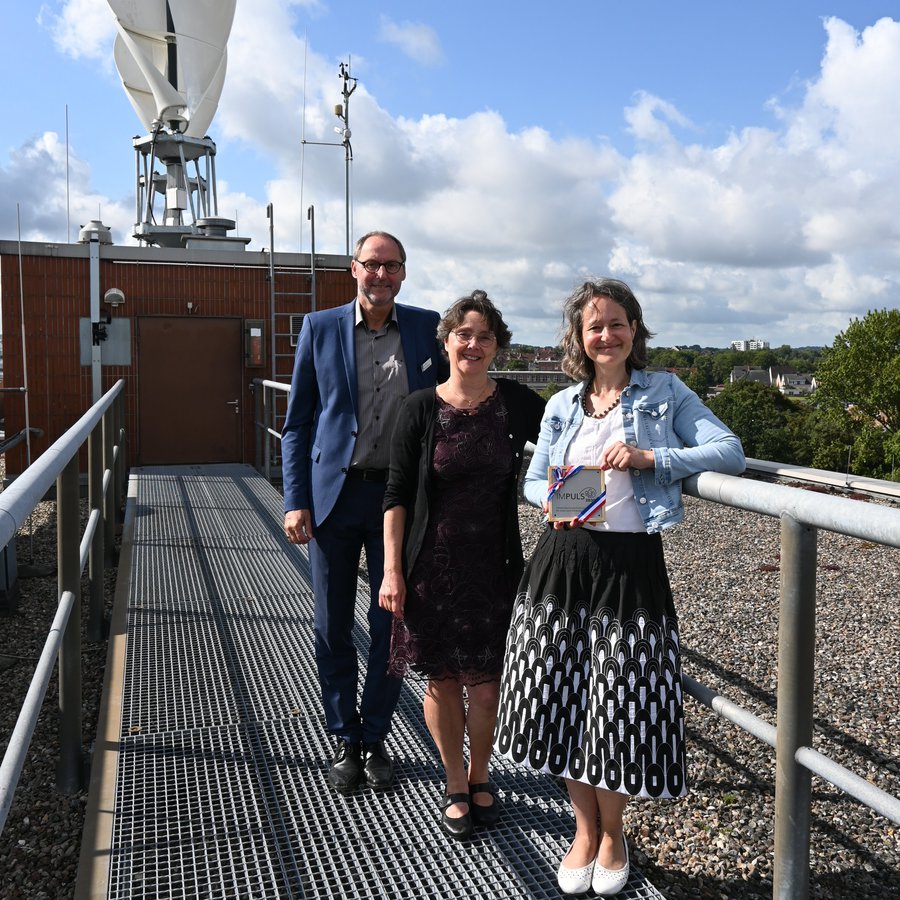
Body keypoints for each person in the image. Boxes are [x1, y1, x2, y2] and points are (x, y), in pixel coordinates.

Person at [494, 278, 745, 895]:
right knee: (563, 703)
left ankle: (615, 833)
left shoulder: (664, 392)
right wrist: (554, 500)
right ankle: (584, 829)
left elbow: (730, 450)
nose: (606, 335)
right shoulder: (561, 404)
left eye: (617, 323)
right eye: (593, 326)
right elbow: (532, 482)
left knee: (617, 706)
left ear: (635, 329)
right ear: (579, 337)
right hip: (560, 563)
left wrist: (649, 459)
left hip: (630, 567)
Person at [282, 231, 447, 795]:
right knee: (330, 627)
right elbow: (298, 423)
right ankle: (343, 736)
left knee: (391, 625)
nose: (381, 275)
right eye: (372, 265)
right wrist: (295, 498)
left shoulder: (429, 329)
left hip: (399, 500)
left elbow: (468, 379)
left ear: (404, 273)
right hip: (335, 496)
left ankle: (374, 738)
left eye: (392, 266)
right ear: (353, 269)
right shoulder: (320, 327)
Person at [379, 291, 545, 840]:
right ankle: (454, 781)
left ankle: (481, 775)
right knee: (444, 682)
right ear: (447, 340)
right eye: (464, 334)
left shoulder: (519, 404)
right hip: (430, 566)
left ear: (498, 346)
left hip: (493, 567)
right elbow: (397, 493)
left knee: (490, 685)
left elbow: (574, 444)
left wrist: (626, 467)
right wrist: (391, 570)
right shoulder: (420, 407)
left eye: (485, 336)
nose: (473, 344)